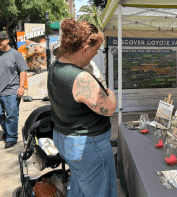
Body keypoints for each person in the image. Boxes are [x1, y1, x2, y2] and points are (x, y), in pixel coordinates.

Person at [48, 19, 117, 197]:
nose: (96, 53)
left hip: (65, 137)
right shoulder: (80, 77)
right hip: (87, 144)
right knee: (101, 191)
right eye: (96, 49)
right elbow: (109, 108)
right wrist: (111, 95)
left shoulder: (56, 65)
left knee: (79, 186)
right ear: (85, 48)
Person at [0, 32, 29, 148]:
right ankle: (8, 129)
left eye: (1, 40)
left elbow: (23, 71)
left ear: (7, 40)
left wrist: (21, 87)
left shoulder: (15, 54)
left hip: (12, 90)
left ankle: (12, 137)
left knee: (12, 115)